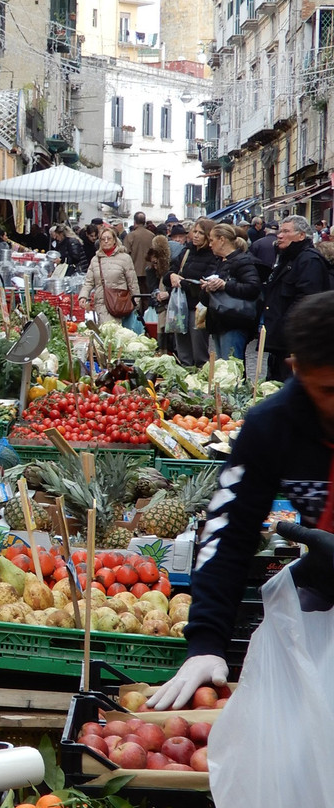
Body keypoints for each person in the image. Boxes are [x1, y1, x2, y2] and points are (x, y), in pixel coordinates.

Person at [149, 290, 334, 710]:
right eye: (328, 389)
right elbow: (228, 531)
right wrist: (207, 641)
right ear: (297, 370)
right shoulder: (272, 425)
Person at [262, 215, 331, 382]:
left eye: (286, 231)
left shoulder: (309, 260)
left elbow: (307, 301)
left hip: (294, 341)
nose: (279, 235)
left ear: (301, 236)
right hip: (281, 340)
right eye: (280, 231)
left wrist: (289, 329)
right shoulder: (288, 258)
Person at [160, 218, 217, 366]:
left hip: (198, 308)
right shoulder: (187, 251)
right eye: (195, 231)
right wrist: (172, 276)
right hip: (180, 306)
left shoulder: (212, 255)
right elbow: (169, 273)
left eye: (201, 233)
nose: (196, 235)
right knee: (182, 348)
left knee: (199, 349)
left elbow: (205, 283)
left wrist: (182, 282)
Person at [201, 223, 262, 361]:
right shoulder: (219, 262)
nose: (209, 244)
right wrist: (207, 288)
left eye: (212, 240)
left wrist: (225, 285)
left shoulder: (243, 261)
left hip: (234, 320)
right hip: (219, 320)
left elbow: (253, 288)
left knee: (232, 367)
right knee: (223, 367)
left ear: (222, 240)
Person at [78, 229, 140, 325]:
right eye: (103, 239)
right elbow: (89, 282)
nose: (106, 241)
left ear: (114, 240)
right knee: (107, 331)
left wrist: (136, 302)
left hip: (120, 303)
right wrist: (83, 296)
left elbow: (132, 282)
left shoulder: (125, 258)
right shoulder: (95, 260)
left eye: (109, 238)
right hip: (101, 303)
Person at [123, 212, 155, 294]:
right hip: (150, 271)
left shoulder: (130, 236)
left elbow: (125, 254)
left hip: (134, 272)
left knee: (136, 296)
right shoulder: (152, 236)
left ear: (134, 222)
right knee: (148, 296)